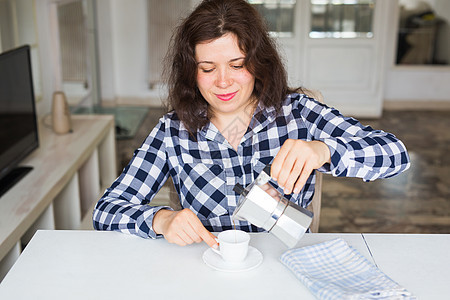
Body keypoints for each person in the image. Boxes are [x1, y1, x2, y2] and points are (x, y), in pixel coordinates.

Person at [92, 0, 410, 249]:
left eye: (237, 65)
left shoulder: (299, 114)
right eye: (207, 68)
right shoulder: (172, 131)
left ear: (258, 63)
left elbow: (395, 155)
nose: (223, 82)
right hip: (206, 271)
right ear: (191, 72)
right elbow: (106, 210)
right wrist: (161, 220)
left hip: (284, 269)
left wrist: (323, 150)